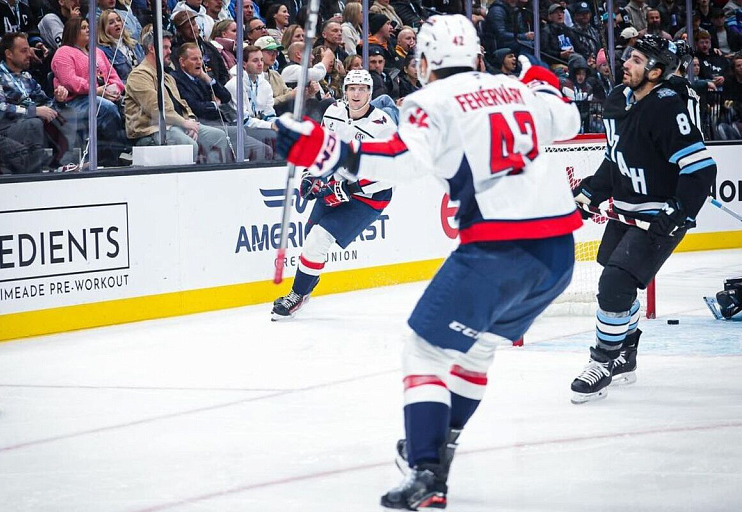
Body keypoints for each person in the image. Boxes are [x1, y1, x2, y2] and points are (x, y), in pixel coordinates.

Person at [272, 14, 582, 508]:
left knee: (423, 349)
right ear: (478, 56)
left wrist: (321, 147)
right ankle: (443, 445)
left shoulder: (430, 101)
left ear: (424, 63)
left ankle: (426, 471)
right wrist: (541, 80)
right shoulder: (513, 88)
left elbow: (395, 161)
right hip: (559, 254)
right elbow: (569, 118)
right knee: (476, 351)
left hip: (498, 248)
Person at [569, 35, 717, 404]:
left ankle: (602, 361)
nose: (626, 64)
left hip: (659, 214)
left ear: (655, 70)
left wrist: (679, 211)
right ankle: (625, 356)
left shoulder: (668, 106)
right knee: (614, 277)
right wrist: (592, 190)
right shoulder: (619, 98)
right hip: (627, 210)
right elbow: (614, 157)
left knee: (614, 283)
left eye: (635, 60)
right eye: (628, 57)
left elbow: (700, 168)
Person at [270, 69, 397, 321]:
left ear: (370, 93)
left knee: (318, 239)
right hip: (337, 183)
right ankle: (305, 289)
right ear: (345, 91)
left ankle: (297, 295)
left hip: (369, 195)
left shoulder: (383, 126)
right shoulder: (334, 113)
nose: (357, 94)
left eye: (362, 89)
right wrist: (310, 175)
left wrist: (349, 189)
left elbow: (390, 171)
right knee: (310, 239)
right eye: (352, 88)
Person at [124, 30, 232, 163]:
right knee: (188, 145)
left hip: (177, 124)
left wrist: (191, 121)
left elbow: (183, 104)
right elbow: (156, 109)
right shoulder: (139, 76)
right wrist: (184, 123)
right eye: (165, 47)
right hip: (151, 130)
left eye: (169, 47)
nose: (170, 51)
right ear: (152, 48)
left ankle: (210, 179)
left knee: (218, 137)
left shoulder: (168, 77)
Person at [0, 32, 77, 174]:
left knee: (68, 112)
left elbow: (46, 104)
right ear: (9, 54)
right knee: (34, 123)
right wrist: (33, 111)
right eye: (23, 51)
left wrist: (58, 100)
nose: (29, 54)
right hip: (3, 130)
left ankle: (62, 164)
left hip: (28, 124)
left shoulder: (26, 77)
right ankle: (33, 174)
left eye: (28, 49)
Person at [171, 42, 274, 160]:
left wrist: (208, 79)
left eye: (200, 58)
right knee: (236, 132)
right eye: (194, 59)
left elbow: (226, 96)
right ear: (182, 62)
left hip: (220, 124)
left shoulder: (201, 78)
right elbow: (195, 106)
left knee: (264, 150)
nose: (199, 62)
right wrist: (215, 104)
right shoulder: (176, 79)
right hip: (202, 124)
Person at [51, 17, 129, 165]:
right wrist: (97, 90)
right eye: (83, 27)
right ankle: (116, 153)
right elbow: (70, 81)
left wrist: (115, 89)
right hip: (74, 102)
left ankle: (120, 150)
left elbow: (113, 75)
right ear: (73, 31)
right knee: (107, 108)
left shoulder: (97, 52)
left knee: (127, 105)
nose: (88, 30)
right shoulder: (63, 52)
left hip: (102, 95)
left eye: (88, 27)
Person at [98, 9, 146, 82]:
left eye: (118, 20)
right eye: (111, 23)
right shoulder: (103, 51)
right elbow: (111, 80)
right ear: (104, 29)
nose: (117, 24)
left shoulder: (135, 44)